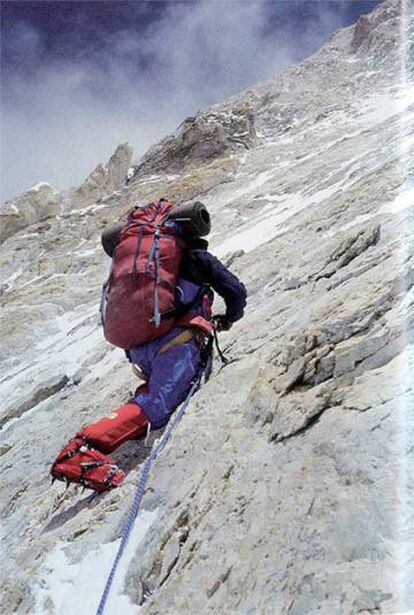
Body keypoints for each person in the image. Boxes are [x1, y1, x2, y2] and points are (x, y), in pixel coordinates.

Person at [50, 202, 247, 492]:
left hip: (140, 347)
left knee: (150, 394)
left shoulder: (137, 264)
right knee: (155, 406)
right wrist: (228, 319)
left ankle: (114, 426)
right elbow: (236, 292)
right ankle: (81, 449)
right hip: (175, 345)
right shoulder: (195, 256)